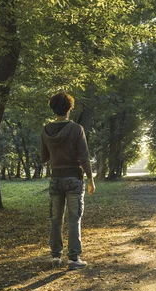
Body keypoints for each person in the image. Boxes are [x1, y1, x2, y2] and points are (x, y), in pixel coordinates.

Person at [41, 91, 96, 270]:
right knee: (74, 219)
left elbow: (43, 157)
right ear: (69, 108)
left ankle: (55, 257)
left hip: (55, 179)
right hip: (74, 179)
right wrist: (90, 179)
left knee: (55, 219)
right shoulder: (76, 129)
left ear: (53, 109)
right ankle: (73, 259)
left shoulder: (46, 130)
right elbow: (84, 156)